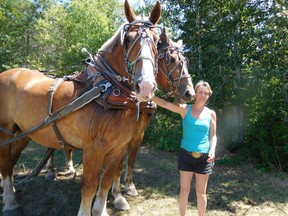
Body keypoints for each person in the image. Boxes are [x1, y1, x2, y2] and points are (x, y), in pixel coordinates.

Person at [151, 81, 217, 216]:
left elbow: (213, 136)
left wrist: (213, 150)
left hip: (205, 158)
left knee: (201, 193)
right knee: (184, 190)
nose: (202, 95)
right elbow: (165, 104)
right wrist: (148, 95)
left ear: (208, 96)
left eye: (205, 93)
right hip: (185, 156)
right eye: (200, 92)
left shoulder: (211, 114)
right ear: (195, 94)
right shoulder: (184, 109)